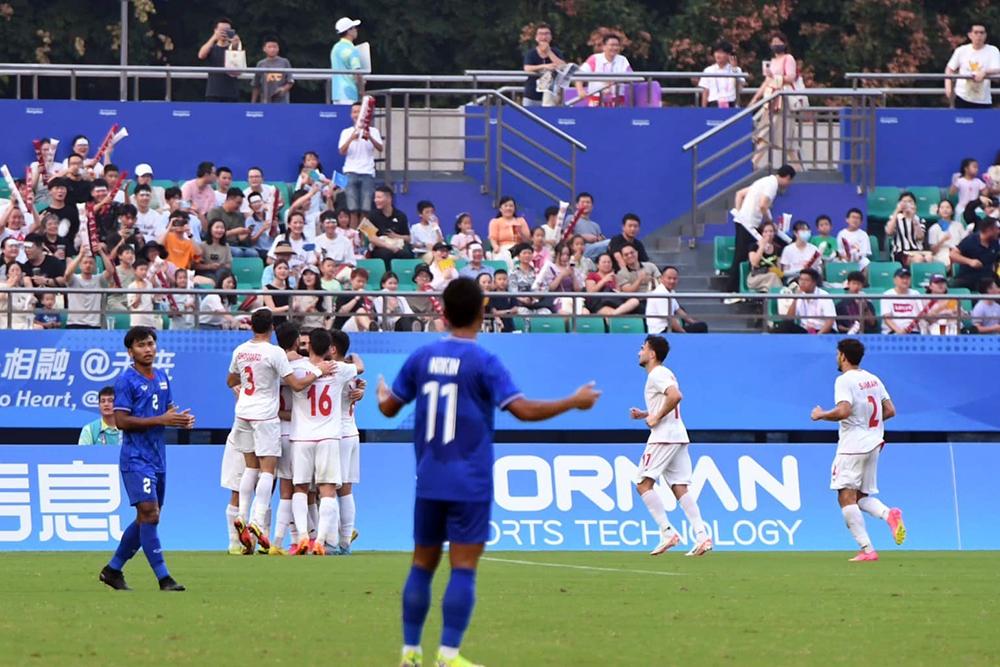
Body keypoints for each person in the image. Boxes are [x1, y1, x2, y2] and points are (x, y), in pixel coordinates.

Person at [377, 277, 601, 667]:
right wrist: (573, 401)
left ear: (441, 312)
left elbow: (389, 408)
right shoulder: (485, 362)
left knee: (421, 564)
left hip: (429, 478)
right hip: (470, 481)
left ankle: (409, 653)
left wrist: (381, 392)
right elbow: (522, 410)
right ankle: (448, 656)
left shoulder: (421, 357)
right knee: (463, 567)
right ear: (483, 312)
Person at [227, 309, 333, 554]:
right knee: (268, 470)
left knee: (250, 468)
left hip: (242, 412)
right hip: (266, 415)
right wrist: (318, 371)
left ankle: (242, 514)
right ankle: (256, 518)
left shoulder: (240, 350)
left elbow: (230, 381)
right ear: (271, 329)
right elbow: (296, 385)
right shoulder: (275, 353)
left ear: (251, 326)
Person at [99, 326, 195, 592]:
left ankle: (113, 570)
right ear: (131, 352)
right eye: (141, 345)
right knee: (150, 515)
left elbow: (167, 411)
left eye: (151, 344)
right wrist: (162, 420)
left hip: (158, 459)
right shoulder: (126, 381)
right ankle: (164, 579)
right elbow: (121, 421)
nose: (148, 349)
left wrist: (179, 419)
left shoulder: (162, 376)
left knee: (147, 517)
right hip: (135, 459)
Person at [810, 338, 905, 562]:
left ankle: (867, 549)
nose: (836, 358)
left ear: (843, 356)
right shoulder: (872, 379)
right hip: (874, 443)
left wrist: (821, 415)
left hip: (853, 445)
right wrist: (867, 422)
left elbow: (844, 411)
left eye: (837, 354)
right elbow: (890, 410)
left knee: (845, 497)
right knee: (860, 496)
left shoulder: (844, 380)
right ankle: (888, 514)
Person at [628, 335, 713, 557]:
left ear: (652, 354)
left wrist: (655, 418)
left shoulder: (657, 374)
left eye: (642, 348)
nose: (639, 352)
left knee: (643, 484)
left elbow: (675, 396)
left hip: (663, 436)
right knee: (679, 487)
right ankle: (702, 535)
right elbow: (667, 400)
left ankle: (667, 532)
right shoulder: (665, 374)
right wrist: (646, 414)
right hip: (677, 434)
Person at [287, 329, 362, 556]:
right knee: (328, 490)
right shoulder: (339, 369)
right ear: (330, 349)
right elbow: (359, 367)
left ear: (307, 346)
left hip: (301, 437)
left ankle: (302, 537)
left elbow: (287, 374)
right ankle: (322, 540)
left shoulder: (297, 369)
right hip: (329, 436)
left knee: (300, 488)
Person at [727, 166, 796, 293]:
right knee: (740, 257)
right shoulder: (772, 185)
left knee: (740, 256)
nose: (789, 184)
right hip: (748, 224)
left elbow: (739, 194)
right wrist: (771, 222)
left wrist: (740, 215)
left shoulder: (762, 181)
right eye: (790, 181)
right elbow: (763, 205)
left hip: (744, 223)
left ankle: (734, 290)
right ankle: (731, 291)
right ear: (787, 178)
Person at [749, 31, 802, 169]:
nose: (776, 45)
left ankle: (754, 162)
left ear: (785, 44)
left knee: (769, 131)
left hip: (782, 101)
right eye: (773, 43)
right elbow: (767, 82)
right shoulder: (773, 61)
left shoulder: (788, 58)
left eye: (779, 42)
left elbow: (791, 77)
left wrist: (774, 76)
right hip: (771, 101)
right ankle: (800, 170)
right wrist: (756, 98)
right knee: (787, 140)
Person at [334, 330, 366, 555]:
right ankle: (344, 542)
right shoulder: (350, 372)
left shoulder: (336, 369)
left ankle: (330, 540)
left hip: (338, 434)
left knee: (327, 489)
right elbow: (359, 367)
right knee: (346, 491)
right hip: (351, 432)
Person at [945, 23, 1000, 109]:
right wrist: (949, 88)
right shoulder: (961, 50)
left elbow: (997, 69)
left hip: (982, 98)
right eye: (976, 32)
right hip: (962, 96)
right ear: (970, 35)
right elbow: (950, 68)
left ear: (985, 35)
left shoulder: (993, 51)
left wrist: (984, 72)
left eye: (982, 33)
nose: (979, 36)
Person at [63, 245, 115, 329]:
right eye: (85, 262)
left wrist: (101, 252)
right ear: (80, 266)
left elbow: (110, 271)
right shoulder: (74, 279)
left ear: (95, 267)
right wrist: (80, 255)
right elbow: (67, 274)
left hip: (94, 324)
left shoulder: (99, 279)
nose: (88, 265)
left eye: (91, 263)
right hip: (74, 323)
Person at [575, 33, 632, 107]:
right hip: (596, 99)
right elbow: (579, 74)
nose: (614, 48)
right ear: (604, 47)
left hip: (617, 99)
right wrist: (580, 90)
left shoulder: (622, 60)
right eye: (612, 45)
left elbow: (630, 76)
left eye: (617, 45)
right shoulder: (594, 59)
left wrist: (618, 80)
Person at [646, 266, 708, 334]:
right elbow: (669, 319)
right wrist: (684, 334)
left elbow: (678, 310)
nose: (672, 281)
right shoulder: (660, 294)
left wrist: (693, 323)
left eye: (674, 279)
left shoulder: (670, 292)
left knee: (701, 326)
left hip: (670, 329)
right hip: (661, 331)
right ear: (662, 278)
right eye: (669, 278)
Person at [775, 268, 835, 334]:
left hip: (822, 330)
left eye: (806, 280)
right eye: (801, 279)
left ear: (814, 282)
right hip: (806, 330)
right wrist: (795, 299)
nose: (802, 283)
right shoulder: (800, 296)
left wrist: (817, 336)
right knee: (785, 325)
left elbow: (830, 322)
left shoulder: (824, 296)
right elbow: (789, 319)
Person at [368, 186, 413, 268]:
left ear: (389, 199)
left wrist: (396, 236)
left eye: (379, 197)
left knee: (406, 254)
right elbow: (371, 237)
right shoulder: (371, 215)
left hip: (398, 245)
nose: (376, 200)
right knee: (386, 254)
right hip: (380, 247)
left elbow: (408, 238)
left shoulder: (401, 215)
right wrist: (389, 246)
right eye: (375, 198)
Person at [198, 17, 241, 103]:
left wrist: (235, 45)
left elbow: (238, 64)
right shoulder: (211, 48)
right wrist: (213, 38)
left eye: (227, 30)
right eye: (221, 30)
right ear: (215, 30)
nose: (224, 33)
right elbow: (201, 55)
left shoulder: (234, 48)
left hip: (231, 92)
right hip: (213, 92)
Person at [522, 23, 565, 107]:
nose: (544, 37)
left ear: (551, 37)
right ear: (536, 37)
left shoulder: (556, 52)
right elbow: (527, 68)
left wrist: (549, 52)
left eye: (547, 33)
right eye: (541, 34)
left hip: (552, 95)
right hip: (532, 95)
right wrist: (544, 66)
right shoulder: (531, 53)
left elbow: (563, 66)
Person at [951, 216, 1000, 290]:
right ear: (989, 230)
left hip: (987, 278)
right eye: (997, 229)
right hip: (968, 277)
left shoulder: (995, 242)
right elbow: (953, 254)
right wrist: (970, 261)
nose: (998, 231)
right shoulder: (971, 240)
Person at [885, 192, 930, 266]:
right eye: (904, 202)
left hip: (917, 251)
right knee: (918, 259)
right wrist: (896, 211)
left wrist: (913, 217)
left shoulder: (920, 220)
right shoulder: (895, 218)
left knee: (929, 258)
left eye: (910, 202)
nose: (907, 204)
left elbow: (920, 237)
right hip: (901, 252)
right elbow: (889, 232)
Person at [487, 196, 530, 266]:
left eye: (511, 206)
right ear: (500, 209)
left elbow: (528, 241)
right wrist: (495, 247)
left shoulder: (520, 221)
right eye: (506, 206)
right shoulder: (495, 222)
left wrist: (521, 232)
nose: (508, 208)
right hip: (503, 248)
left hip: (519, 248)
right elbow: (492, 238)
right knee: (501, 259)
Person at [330, 17, 364, 104]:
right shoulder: (352, 50)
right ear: (349, 31)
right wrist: (362, 89)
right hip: (350, 94)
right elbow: (356, 73)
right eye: (354, 28)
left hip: (336, 94)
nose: (356, 30)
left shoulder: (335, 48)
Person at [251, 35, 294, 104]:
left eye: (274, 47)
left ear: (278, 48)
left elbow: (290, 81)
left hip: (282, 102)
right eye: (269, 47)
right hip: (265, 100)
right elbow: (256, 85)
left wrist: (283, 90)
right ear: (264, 49)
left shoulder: (284, 62)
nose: (272, 49)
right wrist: (253, 103)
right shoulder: (261, 64)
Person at [699, 41, 741, 108]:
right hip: (713, 104)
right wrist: (703, 109)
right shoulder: (708, 70)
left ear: (729, 55)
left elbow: (739, 87)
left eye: (721, 53)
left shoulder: (736, 70)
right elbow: (705, 92)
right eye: (716, 52)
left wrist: (734, 69)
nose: (718, 55)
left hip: (730, 103)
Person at [881, 268, 922, 334]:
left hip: (913, 331)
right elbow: (887, 317)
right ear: (895, 280)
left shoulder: (916, 294)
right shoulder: (887, 294)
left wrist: (909, 328)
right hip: (893, 332)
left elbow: (920, 314)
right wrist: (899, 331)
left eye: (907, 278)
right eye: (902, 278)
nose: (905, 281)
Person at [745, 221, 783, 292]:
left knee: (772, 282)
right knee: (773, 277)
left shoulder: (777, 249)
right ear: (761, 233)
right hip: (756, 277)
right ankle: (782, 299)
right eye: (765, 232)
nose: (768, 234)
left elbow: (779, 268)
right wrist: (762, 247)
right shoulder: (754, 247)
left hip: (771, 277)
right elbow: (754, 263)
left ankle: (772, 300)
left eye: (771, 231)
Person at [927, 200, 966, 268]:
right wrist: (943, 240)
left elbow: (965, 242)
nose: (945, 210)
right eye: (942, 208)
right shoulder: (934, 228)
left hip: (958, 252)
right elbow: (933, 251)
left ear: (952, 211)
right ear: (938, 211)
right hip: (942, 254)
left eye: (948, 207)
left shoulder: (959, 225)